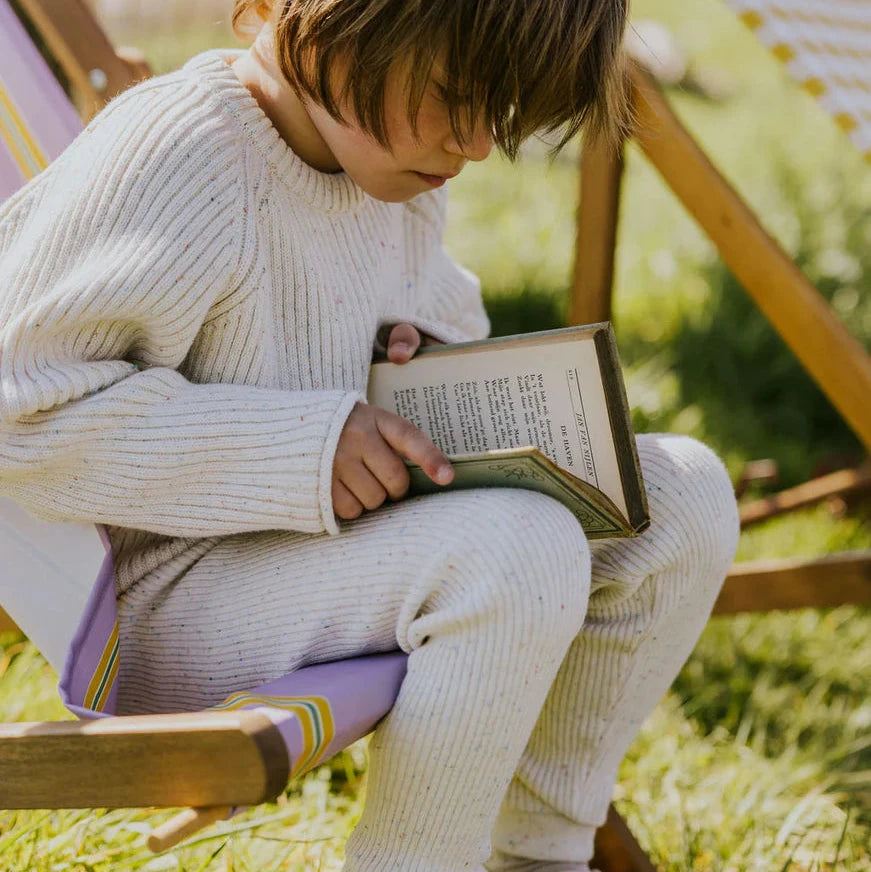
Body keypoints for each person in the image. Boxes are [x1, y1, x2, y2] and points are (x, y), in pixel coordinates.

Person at [0, 1, 739, 870]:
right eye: (459, 96)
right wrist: (308, 447)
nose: (471, 146)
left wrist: (429, 366)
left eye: (496, 115)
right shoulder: (186, 150)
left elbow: (444, 317)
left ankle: (540, 854)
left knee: (683, 493)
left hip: (332, 562)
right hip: (172, 603)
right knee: (517, 549)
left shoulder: (390, 176)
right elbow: (22, 409)